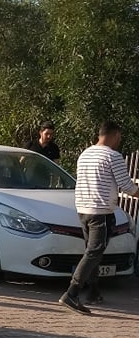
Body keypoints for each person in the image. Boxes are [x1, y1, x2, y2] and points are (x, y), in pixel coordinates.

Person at [58, 120, 139, 315]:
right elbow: (127, 186)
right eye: (119, 137)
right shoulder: (113, 156)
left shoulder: (85, 154)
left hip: (84, 209)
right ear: (115, 135)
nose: (119, 141)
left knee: (92, 250)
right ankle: (72, 292)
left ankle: (93, 291)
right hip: (100, 211)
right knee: (95, 251)